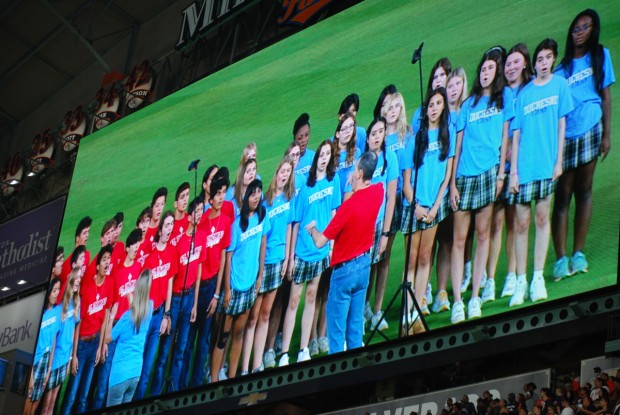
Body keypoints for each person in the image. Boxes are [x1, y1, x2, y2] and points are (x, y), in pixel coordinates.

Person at [449, 47, 513, 323]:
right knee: (459, 241)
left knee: (483, 236)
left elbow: (506, 137)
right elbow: (458, 145)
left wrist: (501, 176)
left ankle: (475, 296)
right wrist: (452, 184)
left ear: (497, 72)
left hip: (489, 174)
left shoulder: (504, 98)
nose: (486, 73)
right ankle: (457, 302)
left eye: (490, 69)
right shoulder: (468, 104)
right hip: (464, 176)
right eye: (483, 69)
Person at [508, 38, 573, 306]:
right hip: (525, 167)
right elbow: (516, 135)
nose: (543, 63)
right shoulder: (524, 94)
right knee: (521, 223)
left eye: (547, 58)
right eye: (539, 59)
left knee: (542, 218)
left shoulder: (560, 86)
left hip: (547, 165)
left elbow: (561, 127)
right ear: (533, 64)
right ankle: (520, 281)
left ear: (553, 60)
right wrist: (513, 173)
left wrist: (558, 162)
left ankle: (537, 278)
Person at [552, 8, 615, 279]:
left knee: (585, 190)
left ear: (593, 29)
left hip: (591, 127)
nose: (580, 33)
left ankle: (578, 253)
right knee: (563, 196)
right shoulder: (560, 69)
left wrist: (607, 134)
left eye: (585, 27)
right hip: (566, 135)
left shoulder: (601, 55)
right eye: (576, 28)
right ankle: (560, 259)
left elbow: (606, 96)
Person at [305, 151, 383, 353]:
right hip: (364, 266)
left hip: (344, 273)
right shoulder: (378, 192)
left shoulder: (347, 209)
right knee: (355, 330)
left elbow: (321, 242)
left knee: (337, 335)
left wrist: (312, 229)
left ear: (358, 173)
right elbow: (368, 189)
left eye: (355, 168)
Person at [279, 140, 341, 366]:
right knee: (294, 301)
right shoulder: (305, 185)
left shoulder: (334, 183)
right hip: (302, 252)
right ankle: (285, 354)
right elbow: (295, 223)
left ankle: (304, 348)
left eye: (328, 154)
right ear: (316, 158)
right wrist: (291, 257)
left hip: (321, 250)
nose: (324, 157)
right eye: (322, 154)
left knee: (312, 298)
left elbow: (334, 214)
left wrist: (331, 245)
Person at [401, 88, 454, 320]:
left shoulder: (447, 133)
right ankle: (407, 309)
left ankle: (417, 308)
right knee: (411, 259)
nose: (433, 108)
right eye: (430, 104)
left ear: (443, 107)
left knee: (425, 258)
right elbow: (406, 182)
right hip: (414, 207)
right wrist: (417, 208)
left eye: (438, 104)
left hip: (434, 207)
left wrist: (433, 209)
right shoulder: (416, 137)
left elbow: (446, 177)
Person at [210, 179, 269, 379]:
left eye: (259, 193)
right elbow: (227, 258)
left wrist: (260, 276)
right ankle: (214, 379)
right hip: (234, 288)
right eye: (253, 193)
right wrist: (226, 290)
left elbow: (262, 246)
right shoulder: (237, 224)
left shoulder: (262, 217)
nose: (256, 197)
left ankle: (232, 377)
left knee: (239, 334)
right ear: (246, 197)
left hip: (250, 286)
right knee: (222, 337)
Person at [245, 156, 295, 373]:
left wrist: (286, 258)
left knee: (266, 314)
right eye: (282, 171)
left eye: (288, 172)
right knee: (253, 317)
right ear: (276, 173)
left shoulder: (288, 199)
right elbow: (260, 238)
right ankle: (245, 368)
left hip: (277, 263)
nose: (284, 175)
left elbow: (288, 229)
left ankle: (257, 365)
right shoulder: (265, 202)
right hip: (262, 265)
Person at [183, 178, 231, 387]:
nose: (221, 198)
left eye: (223, 193)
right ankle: (182, 384)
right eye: (217, 194)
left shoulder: (226, 222)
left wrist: (216, 294)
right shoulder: (200, 222)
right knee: (187, 342)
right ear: (210, 198)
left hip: (211, 286)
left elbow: (222, 259)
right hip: (195, 287)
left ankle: (195, 385)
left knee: (203, 341)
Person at [152, 201, 204, 394]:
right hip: (174, 300)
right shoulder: (178, 242)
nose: (199, 215)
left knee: (181, 349)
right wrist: (167, 311)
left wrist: (195, 304)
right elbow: (170, 278)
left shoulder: (200, 238)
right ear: (189, 216)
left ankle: (173, 391)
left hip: (189, 297)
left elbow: (197, 274)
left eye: (201, 211)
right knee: (164, 352)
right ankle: (156, 393)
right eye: (196, 211)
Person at [493, 43, 532, 300]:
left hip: (523, 163)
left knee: (521, 221)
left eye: (516, 63)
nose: (511, 68)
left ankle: (518, 274)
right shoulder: (502, 93)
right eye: (508, 64)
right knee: (507, 221)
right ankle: (510, 274)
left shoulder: (529, 90)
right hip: (502, 166)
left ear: (525, 64)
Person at [91, 229, 144, 409]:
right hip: (115, 328)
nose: (137, 249)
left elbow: (137, 298)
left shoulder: (138, 268)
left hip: (128, 328)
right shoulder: (118, 273)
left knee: (122, 375)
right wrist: (106, 337)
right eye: (134, 245)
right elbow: (111, 306)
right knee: (105, 379)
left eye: (139, 245)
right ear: (127, 247)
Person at [431, 67, 469, 314]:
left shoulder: (465, 111)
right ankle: (430, 292)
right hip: (436, 189)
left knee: (450, 239)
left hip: (457, 183)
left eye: (455, 84)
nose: (450, 88)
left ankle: (445, 291)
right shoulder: (440, 117)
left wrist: (452, 184)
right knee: (437, 240)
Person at [61, 245, 114, 415]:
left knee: (83, 397)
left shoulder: (110, 283)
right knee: (71, 395)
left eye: (109, 260)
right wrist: (74, 355)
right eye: (104, 260)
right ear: (97, 266)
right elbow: (78, 324)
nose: (107, 263)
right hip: (82, 346)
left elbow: (106, 316)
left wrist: (100, 346)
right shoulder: (87, 289)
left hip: (94, 345)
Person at [134, 211, 177, 400]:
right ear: (159, 231)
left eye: (172, 225)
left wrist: (167, 316)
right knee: (137, 364)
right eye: (167, 225)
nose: (170, 229)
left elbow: (169, 284)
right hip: (145, 317)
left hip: (159, 314)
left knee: (147, 368)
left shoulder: (172, 253)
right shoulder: (150, 258)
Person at [364, 116, 398, 331]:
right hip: (364, 225)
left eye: (381, 132)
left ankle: (377, 312)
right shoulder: (364, 161)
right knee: (365, 269)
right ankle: (362, 311)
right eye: (374, 133)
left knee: (379, 263)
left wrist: (385, 233)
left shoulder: (390, 158)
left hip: (380, 225)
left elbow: (391, 197)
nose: (377, 137)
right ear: (368, 138)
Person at [104, 269, 153, 406]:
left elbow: (108, 338)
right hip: (135, 373)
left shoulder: (126, 317)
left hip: (120, 375)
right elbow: (138, 311)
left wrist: (111, 316)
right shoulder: (149, 308)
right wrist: (131, 299)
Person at [41, 269, 81, 415]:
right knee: (45, 405)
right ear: (71, 280)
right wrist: (50, 366)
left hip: (65, 359)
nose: (78, 281)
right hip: (55, 359)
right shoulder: (60, 306)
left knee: (53, 403)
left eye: (80, 278)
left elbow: (73, 331)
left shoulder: (77, 302)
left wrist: (71, 357)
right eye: (76, 278)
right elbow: (54, 337)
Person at [24, 278, 61, 415]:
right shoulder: (39, 313)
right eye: (54, 290)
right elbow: (30, 345)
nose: (57, 293)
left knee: (34, 409)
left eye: (58, 290)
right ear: (48, 292)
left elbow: (53, 341)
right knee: (26, 409)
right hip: (34, 364)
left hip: (45, 365)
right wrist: (31, 376)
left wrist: (49, 370)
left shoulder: (57, 312)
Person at [58, 216, 91, 303]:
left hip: (82, 300)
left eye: (88, 232)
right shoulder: (65, 266)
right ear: (77, 238)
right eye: (84, 233)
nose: (87, 235)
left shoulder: (87, 255)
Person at [170, 182, 190, 246]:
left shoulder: (190, 219)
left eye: (187, 195)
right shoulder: (170, 224)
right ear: (175, 204)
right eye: (182, 197)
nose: (185, 199)